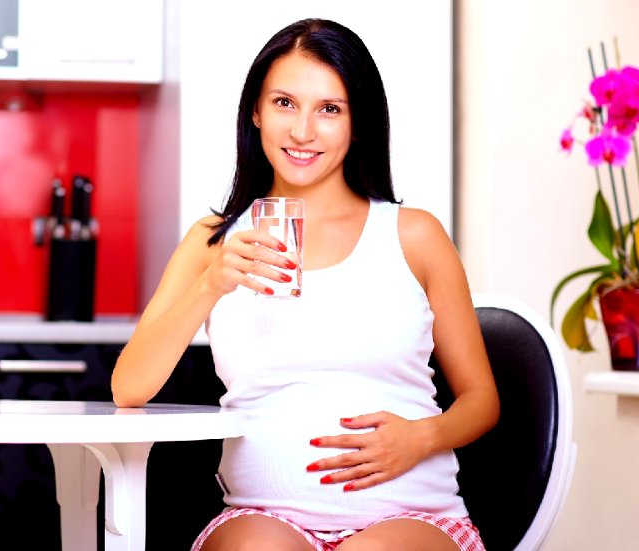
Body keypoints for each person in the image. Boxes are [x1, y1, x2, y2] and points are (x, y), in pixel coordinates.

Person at [111, 17, 499, 551]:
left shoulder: (414, 235)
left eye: (330, 110)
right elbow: (128, 388)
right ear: (255, 111)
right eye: (285, 103)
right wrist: (210, 283)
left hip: (410, 516)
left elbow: (482, 399)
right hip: (264, 516)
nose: (302, 132)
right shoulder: (213, 240)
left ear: (358, 123)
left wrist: (421, 437)